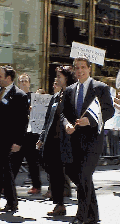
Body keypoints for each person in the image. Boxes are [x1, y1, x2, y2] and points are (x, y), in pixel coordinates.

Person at [63, 57, 115, 224]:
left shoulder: (100, 88)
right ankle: (93, 214)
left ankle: (81, 216)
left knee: (84, 176)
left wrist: (91, 120)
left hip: (93, 141)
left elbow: (109, 110)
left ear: (89, 69)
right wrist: (67, 124)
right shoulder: (70, 90)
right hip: (74, 141)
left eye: (83, 67)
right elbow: (63, 113)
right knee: (77, 175)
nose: (80, 71)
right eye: (76, 68)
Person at [36, 66, 74, 216]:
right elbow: (48, 120)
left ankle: (85, 206)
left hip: (67, 140)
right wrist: (41, 138)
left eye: (59, 76)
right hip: (52, 141)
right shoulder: (55, 97)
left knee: (71, 173)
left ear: (66, 77)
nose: (57, 79)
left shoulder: (71, 95)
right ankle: (59, 204)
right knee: (54, 172)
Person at [0, 65, 28, 212]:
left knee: (6, 172)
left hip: (8, 140)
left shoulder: (19, 95)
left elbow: (22, 121)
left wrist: (18, 142)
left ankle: (12, 202)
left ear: (8, 78)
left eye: (0, 76)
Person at [11, 73, 42, 194]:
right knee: (14, 161)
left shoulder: (35, 97)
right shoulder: (14, 96)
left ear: (29, 83)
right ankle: (7, 185)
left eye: (25, 81)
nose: (23, 83)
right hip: (18, 134)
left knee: (33, 161)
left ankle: (36, 186)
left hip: (31, 135)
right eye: (21, 81)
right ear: (18, 83)